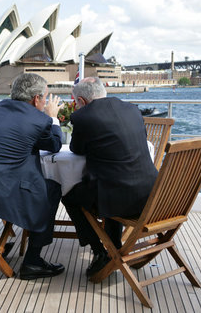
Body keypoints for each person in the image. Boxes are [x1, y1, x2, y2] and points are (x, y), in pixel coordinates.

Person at [0, 73, 65, 280]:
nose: (46, 102)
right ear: (36, 99)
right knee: (51, 189)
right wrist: (53, 117)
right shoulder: (40, 119)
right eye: (45, 98)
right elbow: (54, 145)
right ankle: (33, 261)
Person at [62, 77, 158, 277]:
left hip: (120, 199)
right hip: (152, 196)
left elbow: (76, 148)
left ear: (81, 100)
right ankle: (114, 245)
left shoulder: (83, 117)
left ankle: (100, 252)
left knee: (70, 197)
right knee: (111, 182)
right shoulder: (132, 109)